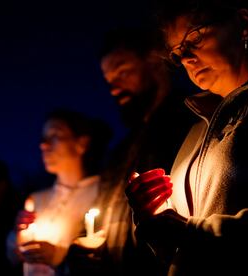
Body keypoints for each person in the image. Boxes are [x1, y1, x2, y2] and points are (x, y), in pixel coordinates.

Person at [125, 0, 248, 275]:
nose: (187, 58)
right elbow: (176, 250)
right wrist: (151, 218)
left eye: (195, 38)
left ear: (244, 25)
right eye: (178, 53)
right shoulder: (196, 132)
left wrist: (194, 233)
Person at [66, 26, 196, 275]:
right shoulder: (119, 154)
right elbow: (104, 220)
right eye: (109, 81)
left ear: (155, 61)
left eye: (123, 72)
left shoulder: (191, 127)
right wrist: (86, 248)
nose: (114, 88)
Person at [6, 108, 112, 276]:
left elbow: (107, 255)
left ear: (81, 144)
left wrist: (59, 256)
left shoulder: (103, 194)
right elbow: (13, 257)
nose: (44, 145)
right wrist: (18, 236)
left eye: (55, 136)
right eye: (44, 138)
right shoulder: (36, 199)